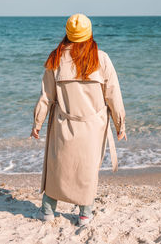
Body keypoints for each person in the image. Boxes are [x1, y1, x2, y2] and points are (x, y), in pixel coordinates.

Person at [30, 13, 127, 226]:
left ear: (68, 34)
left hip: (63, 123)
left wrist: (37, 123)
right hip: (94, 126)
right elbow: (113, 95)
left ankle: (47, 211)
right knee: (88, 169)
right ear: (89, 34)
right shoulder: (101, 58)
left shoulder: (55, 58)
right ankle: (85, 214)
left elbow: (46, 96)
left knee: (57, 166)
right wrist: (121, 125)